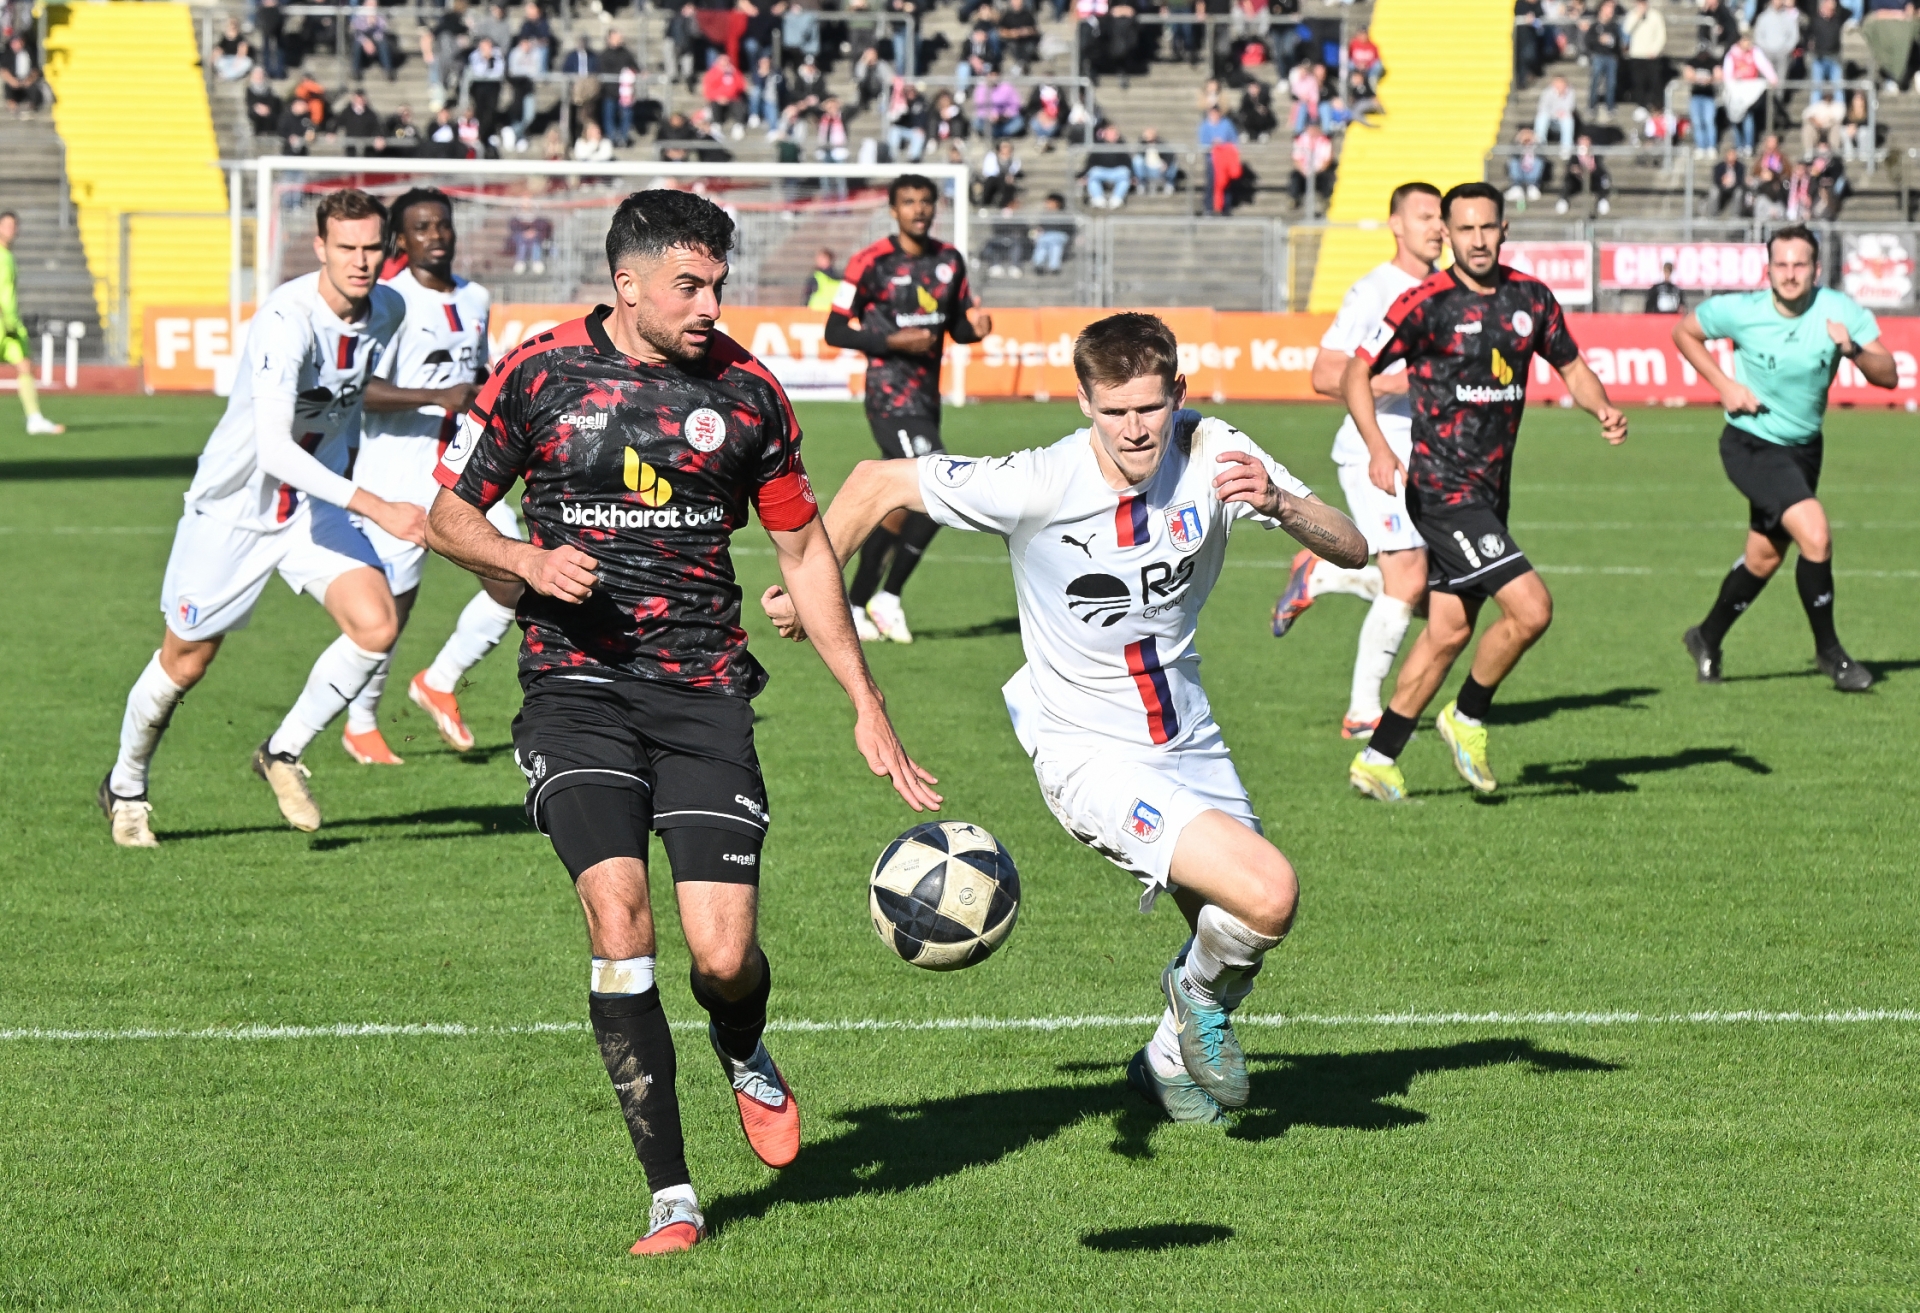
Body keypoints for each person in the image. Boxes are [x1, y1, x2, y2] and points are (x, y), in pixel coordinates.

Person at [424, 188, 939, 1255]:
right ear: (628, 284)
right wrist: (524, 560)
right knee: (620, 922)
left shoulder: (748, 393)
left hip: (704, 694)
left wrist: (867, 701)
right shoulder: (539, 373)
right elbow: (449, 514)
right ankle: (673, 1191)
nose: (711, 305)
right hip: (574, 690)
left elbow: (804, 550)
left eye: (718, 285)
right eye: (688, 286)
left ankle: (742, 1044)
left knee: (723, 954)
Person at [759, 313, 1368, 1126]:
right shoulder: (1040, 481)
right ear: (1084, 402)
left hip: (1190, 734)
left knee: (1236, 927)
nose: (1134, 428)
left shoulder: (1216, 449)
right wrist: (811, 587)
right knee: (1270, 891)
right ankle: (1190, 1001)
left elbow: (1355, 548)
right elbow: (876, 481)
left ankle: (1164, 1060)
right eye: (1114, 411)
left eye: (1150, 407)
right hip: (1086, 753)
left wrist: (1280, 500)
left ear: (1178, 393)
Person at [99, 190, 416, 847]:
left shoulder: (390, 309)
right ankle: (124, 786)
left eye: (372, 247)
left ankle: (281, 750)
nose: (360, 261)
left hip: (311, 506)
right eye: (347, 248)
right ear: (320, 247)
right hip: (236, 507)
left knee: (376, 624)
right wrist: (376, 503)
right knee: (186, 662)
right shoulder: (284, 319)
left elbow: (347, 395)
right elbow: (273, 449)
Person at [1342, 182, 1628, 802]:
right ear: (1447, 234)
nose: (1477, 240)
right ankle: (1467, 715)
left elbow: (1571, 366)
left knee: (1447, 632)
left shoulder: (1531, 299)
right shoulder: (1425, 304)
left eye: (1487, 227)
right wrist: (1379, 448)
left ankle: (1378, 757)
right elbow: (1354, 371)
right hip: (1441, 491)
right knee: (1532, 609)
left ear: (1504, 229)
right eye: (1465, 229)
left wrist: (1601, 407)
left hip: (1490, 493)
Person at [330, 190, 519, 765]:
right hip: (397, 473)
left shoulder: (476, 297)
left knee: (516, 581)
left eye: (442, 224)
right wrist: (436, 396)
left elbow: (477, 371)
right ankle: (361, 723)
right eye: (420, 227)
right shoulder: (387, 302)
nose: (434, 235)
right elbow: (357, 389)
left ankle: (439, 680)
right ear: (400, 240)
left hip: (466, 470)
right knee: (392, 610)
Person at [1673, 226, 1896, 693]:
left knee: (1763, 557)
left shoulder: (1839, 310)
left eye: (1800, 264)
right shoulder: (1742, 310)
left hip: (1805, 449)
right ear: (1768, 269)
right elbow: (1684, 332)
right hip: (1750, 444)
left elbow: (1889, 375)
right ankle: (1830, 653)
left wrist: (1852, 350)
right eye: (1781, 264)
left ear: (1816, 269)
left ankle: (1705, 637)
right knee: (1815, 534)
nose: (1790, 274)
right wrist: (1725, 385)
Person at [1285, 183, 1448, 739]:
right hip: (1376, 451)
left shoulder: (1446, 290)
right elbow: (1324, 373)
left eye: (1441, 217)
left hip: (1429, 457)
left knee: (1439, 598)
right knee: (1408, 579)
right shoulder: (1374, 290)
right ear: (1396, 224)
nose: (1436, 227)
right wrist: (1396, 382)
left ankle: (1325, 573)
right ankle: (1362, 714)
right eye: (1424, 216)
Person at [824, 176, 991, 643]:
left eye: (925, 202)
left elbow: (955, 327)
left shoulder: (949, 261)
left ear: (935, 208)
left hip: (927, 400)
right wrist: (892, 341)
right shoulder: (870, 262)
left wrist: (976, 330)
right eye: (909, 202)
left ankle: (856, 603)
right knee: (940, 482)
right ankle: (889, 596)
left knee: (899, 505)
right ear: (893, 210)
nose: (918, 209)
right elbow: (835, 330)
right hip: (889, 398)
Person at [0, 211, 60, 434]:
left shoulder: (8, 256)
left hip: (10, 326)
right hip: (2, 324)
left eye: (13, 226)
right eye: (6, 225)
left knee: (25, 366)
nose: (10, 229)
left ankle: (34, 419)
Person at [1622, 0, 1666, 108]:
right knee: (1638, 83)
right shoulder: (1631, 15)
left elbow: (1661, 35)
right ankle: (1641, 106)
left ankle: (1657, 107)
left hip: (1651, 56)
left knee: (1654, 83)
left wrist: (1655, 50)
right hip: (1636, 55)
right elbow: (1627, 30)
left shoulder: (1656, 15)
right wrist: (1637, 16)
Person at [1584, 1, 1623, 120]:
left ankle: (1610, 107)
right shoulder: (1594, 26)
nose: (1610, 12)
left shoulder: (1614, 27)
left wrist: (1611, 42)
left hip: (1611, 58)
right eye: (1608, 9)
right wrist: (1599, 39)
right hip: (1598, 56)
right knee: (1595, 82)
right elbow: (1588, 41)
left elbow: (1618, 43)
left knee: (1611, 84)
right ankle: (1591, 106)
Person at [1082, 124, 1134, 209]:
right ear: (1105, 134)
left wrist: (1133, 176)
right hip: (1101, 171)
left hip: (1117, 171)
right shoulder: (1098, 146)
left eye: (1114, 134)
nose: (1111, 136)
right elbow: (1091, 162)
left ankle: (1117, 199)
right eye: (1109, 133)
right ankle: (1098, 199)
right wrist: (1083, 175)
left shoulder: (1122, 146)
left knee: (1125, 174)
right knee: (1093, 173)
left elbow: (1128, 163)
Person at [1557, 135, 1611, 215]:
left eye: (1585, 144)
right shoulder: (1574, 156)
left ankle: (1602, 201)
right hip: (1576, 181)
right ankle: (1563, 201)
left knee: (1604, 180)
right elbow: (1569, 167)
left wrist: (1592, 168)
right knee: (1567, 181)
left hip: (1592, 179)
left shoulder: (1596, 156)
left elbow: (1601, 169)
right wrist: (1575, 170)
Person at [1685, 40, 1722, 156]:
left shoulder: (1713, 62)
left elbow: (1718, 75)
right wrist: (1697, 80)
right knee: (1697, 122)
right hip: (1696, 96)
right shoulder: (1692, 62)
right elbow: (1688, 75)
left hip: (1709, 96)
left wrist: (1709, 80)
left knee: (1709, 121)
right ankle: (1700, 146)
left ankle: (1711, 146)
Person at [1534, 75, 1576, 156]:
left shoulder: (1571, 92)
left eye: (1561, 83)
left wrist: (1562, 113)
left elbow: (1570, 108)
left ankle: (1566, 149)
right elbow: (1542, 108)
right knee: (1542, 117)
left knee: (1568, 119)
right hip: (1549, 119)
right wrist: (1555, 114)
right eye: (1557, 83)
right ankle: (1540, 145)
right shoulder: (1547, 92)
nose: (1559, 86)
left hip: (1562, 120)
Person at [1506, 127, 1546, 203]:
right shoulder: (1516, 146)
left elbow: (1542, 154)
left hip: (1532, 172)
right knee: (1513, 161)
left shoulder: (1537, 146)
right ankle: (1516, 187)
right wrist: (1519, 143)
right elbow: (1511, 153)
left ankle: (1532, 186)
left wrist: (1535, 143)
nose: (1526, 137)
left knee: (1539, 161)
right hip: (1520, 171)